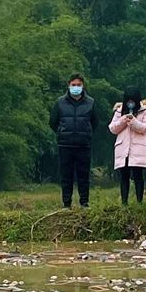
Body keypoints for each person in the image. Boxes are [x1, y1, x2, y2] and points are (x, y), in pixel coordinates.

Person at [50, 75, 96, 208]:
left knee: (84, 175)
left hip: (83, 145)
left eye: (79, 85)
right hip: (65, 144)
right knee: (66, 176)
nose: (76, 87)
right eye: (73, 84)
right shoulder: (60, 102)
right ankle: (66, 203)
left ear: (83, 86)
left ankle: (84, 202)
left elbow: (95, 122)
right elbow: (53, 122)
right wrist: (61, 132)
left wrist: (87, 134)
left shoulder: (90, 102)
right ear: (69, 85)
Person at [109, 91, 146, 205]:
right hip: (123, 148)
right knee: (124, 176)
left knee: (138, 176)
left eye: (133, 101)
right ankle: (124, 203)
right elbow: (113, 128)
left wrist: (134, 122)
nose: (130, 103)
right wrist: (123, 120)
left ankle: (139, 202)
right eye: (128, 101)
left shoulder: (145, 111)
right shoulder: (119, 111)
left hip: (138, 148)